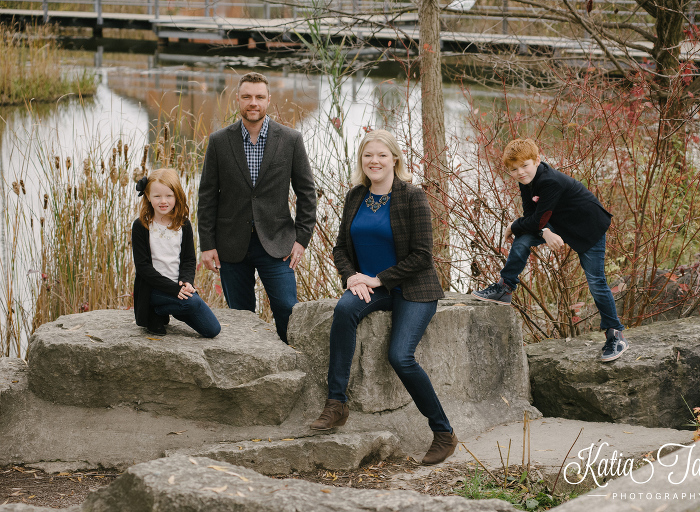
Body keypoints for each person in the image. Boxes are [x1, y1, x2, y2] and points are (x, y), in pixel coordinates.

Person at [309, 130, 458, 466]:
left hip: (413, 289)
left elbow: (422, 255)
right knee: (344, 309)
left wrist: (378, 279)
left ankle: (443, 431)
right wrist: (350, 278)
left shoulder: (412, 196)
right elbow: (339, 249)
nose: (374, 161)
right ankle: (336, 403)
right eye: (367, 156)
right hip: (370, 287)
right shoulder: (356, 196)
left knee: (400, 356)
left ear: (395, 159)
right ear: (362, 161)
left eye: (381, 155)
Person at [471, 138, 629, 362]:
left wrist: (513, 225)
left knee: (596, 282)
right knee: (523, 240)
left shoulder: (550, 181)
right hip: (559, 223)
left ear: (537, 160)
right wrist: (543, 230)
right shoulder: (526, 181)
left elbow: (534, 219)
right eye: (514, 169)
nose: (520, 172)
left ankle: (615, 335)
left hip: (588, 226)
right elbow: (532, 216)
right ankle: (505, 287)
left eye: (525, 165)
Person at [198, 72, 317, 344]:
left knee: (288, 311)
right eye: (247, 96)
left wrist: (301, 240)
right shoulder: (219, 141)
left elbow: (307, 193)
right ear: (237, 99)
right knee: (241, 319)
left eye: (259, 97)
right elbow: (207, 197)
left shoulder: (290, 139)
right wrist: (207, 244)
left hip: (278, 243)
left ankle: (291, 371)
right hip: (231, 245)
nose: (253, 102)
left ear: (268, 100)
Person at [132, 168, 221, 338]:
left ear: (177, 196)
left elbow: (188, 260)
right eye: (157, 196)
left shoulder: (183, 225)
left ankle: (166, 310)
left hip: (177, 287)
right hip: (154, 289)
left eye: (169, 196)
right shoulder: (141, 226)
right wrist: (173, 290)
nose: (163, 201)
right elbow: (143, 268)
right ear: (148, 197)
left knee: (212, 330)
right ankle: (155, 310)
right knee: (192, 303)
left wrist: (187, 282)